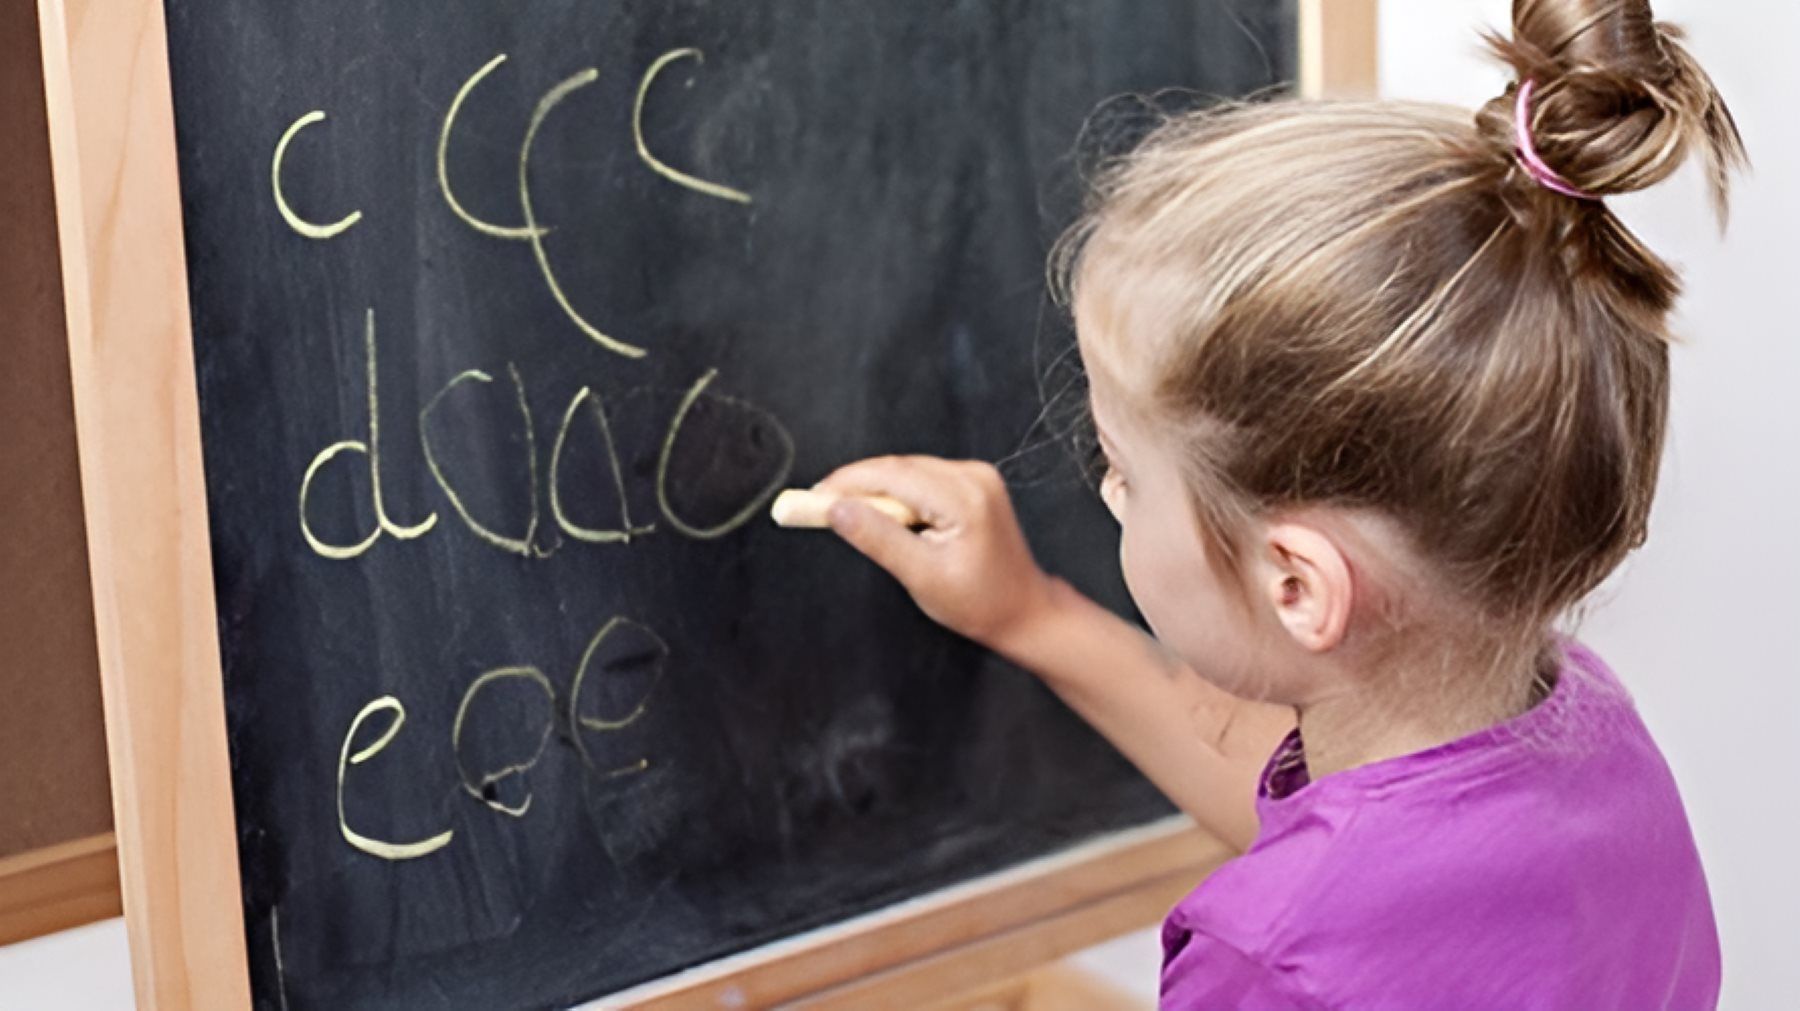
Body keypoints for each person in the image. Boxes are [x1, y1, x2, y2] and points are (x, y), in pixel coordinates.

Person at [809, 0, 1745, 1005]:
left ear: (1296, 583)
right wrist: (1031, 615)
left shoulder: (1269, 966)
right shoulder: (1587, 733)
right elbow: (1348, 841)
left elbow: (1316, 917)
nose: (1106, 486)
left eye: (1122, 463)